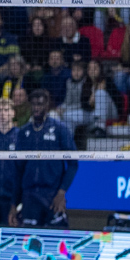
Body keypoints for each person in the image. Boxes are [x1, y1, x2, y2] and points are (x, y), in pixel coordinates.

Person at [9, 90, 78, 228]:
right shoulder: (23, 132)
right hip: (29, 196)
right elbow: (18, 170)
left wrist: (61, 192)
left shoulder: (60, 129)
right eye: (33, 104)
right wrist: (14, 204)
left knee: (56, 238)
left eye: (40, 104)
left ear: (47, 105)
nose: (36, 108)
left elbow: (73, 164)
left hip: (52, 195)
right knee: (29, 238)